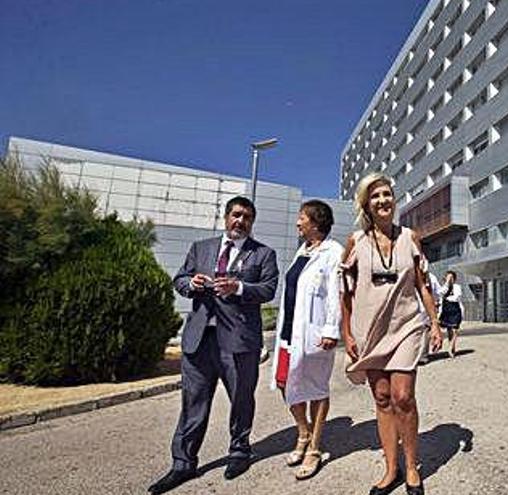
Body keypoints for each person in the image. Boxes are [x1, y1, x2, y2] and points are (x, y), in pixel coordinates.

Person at [149, 196, 279, 494]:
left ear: (252, 222)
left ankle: (239, 451)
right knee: (193, 403)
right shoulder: (201, 248)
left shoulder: (263, 254)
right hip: (199, 339)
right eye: (236, 215)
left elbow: (268, 289)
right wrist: (190, 284)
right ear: (225, 217)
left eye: (246, 217)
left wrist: (239, 287)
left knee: (241, 399)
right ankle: (183, 463)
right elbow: (179, 279)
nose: (240, 221)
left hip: (239, 341)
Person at [340, 173, 443, 495]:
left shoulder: (410, 237)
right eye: (375, 196)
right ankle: (391, 469)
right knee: (382, 398)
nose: (383, 200)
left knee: (403, 397)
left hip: (406, 325)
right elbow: (344, 291)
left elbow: (422, 284)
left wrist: (435, 323)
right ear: (366, 204)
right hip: (370, 328)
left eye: (387, 194)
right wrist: (347, 334)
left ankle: (412, 467)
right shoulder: (356, 241)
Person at [269, 200, 343, 480]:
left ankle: (313, 448)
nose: (297, 223)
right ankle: (303, 432)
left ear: (315, 222)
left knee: (315, 387)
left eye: (302, 218)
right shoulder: (303, 250)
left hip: (315, 333)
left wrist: (330, 330)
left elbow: (336, 293)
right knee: (284, 383)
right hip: (289, 332)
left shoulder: (333, 251)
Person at [438, 271, 464, 357]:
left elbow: (456, 297)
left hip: (455, 310)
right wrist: (447, 283)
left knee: (455, 330)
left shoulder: (457, 287)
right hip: (446, 310)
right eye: (448, 277)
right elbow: (441, 293)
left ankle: (450, 348)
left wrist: (447, 298)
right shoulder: (444, 287)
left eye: (451, 278)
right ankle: (452, 347)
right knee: (449, 330)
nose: (450, 279)